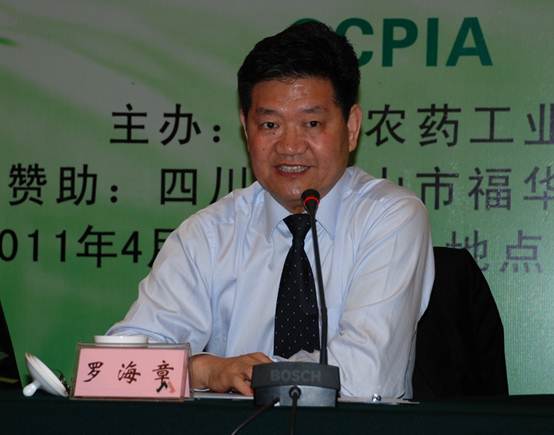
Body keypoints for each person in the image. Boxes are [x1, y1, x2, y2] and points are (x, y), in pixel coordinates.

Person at [108, 21, 434, 399]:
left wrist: (252, 375)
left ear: (351, 127)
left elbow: (365, 378)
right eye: (270, 124)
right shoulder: (209, 234)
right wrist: (204, 370)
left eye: (312, 123)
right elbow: (116, 370)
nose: (290, 146)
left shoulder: (389, 217)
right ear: (246, 129)